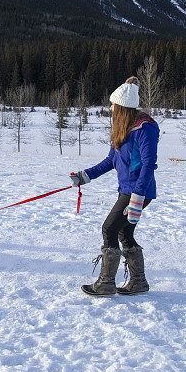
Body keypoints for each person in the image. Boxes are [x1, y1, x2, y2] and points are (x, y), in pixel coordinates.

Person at [71, 76, 159, 296]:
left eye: (113, 105)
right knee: (124, 233)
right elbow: (111, 160)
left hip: (139, 190)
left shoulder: (144, 128)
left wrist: (137, 198)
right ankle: (139, 282)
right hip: (127, 190)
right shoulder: (122, 128)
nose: (110, 108)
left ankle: (106, 283)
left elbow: (149, 165)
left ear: (122, 107)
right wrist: (85, 176)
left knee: (109, 228)